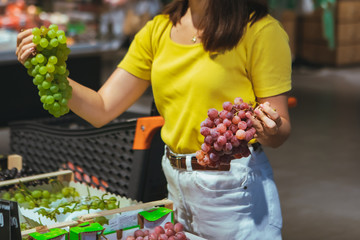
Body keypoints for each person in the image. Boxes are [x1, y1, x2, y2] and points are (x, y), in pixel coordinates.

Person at [16, 0, 292, 239]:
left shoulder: (260, 31)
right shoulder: (158, 29)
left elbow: (280, 131)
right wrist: (53, 74)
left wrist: (270, 128)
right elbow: (101, 109)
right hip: (174, 179)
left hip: (234, 188)